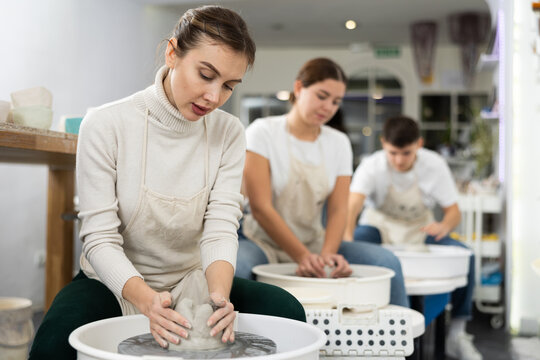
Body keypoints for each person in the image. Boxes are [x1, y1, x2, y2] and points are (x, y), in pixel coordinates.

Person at [29, 6, 305, 359]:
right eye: (206, 75)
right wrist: (146, 301)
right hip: (114, 283)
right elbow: (99, 238)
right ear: (172, 53)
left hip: (194, 279)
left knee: (288, 312)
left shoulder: (229, 132)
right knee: (54, 342)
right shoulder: (105, 124)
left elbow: (220, 227)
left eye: (228, 86)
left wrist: (219, 300)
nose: (214, 97)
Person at [236, 57, 409, 308]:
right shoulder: (262, 132)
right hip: (263, 242)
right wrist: (301, 257)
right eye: (322, 96)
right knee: (236, 268)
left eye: (336, 101)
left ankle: (400, 343)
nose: (328, 107)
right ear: (298, 88)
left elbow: (339, 209)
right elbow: (261, 208)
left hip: (316, 244)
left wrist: (327, 255)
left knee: (387, 262)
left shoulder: (338, 142)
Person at [344, 115, 481, 360]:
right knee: (357, 240)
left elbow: (453, 212)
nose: (398, 160)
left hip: (420, 230)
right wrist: (346, 243)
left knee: (467, 255)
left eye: (406, 153)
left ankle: (457, 334)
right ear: (383, 143)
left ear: (419, 144)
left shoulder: (435, 165)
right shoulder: (371, 166)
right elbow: (352, 208)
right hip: (380, 227)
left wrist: (443, 227)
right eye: (392, 153)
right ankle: (361, 317)